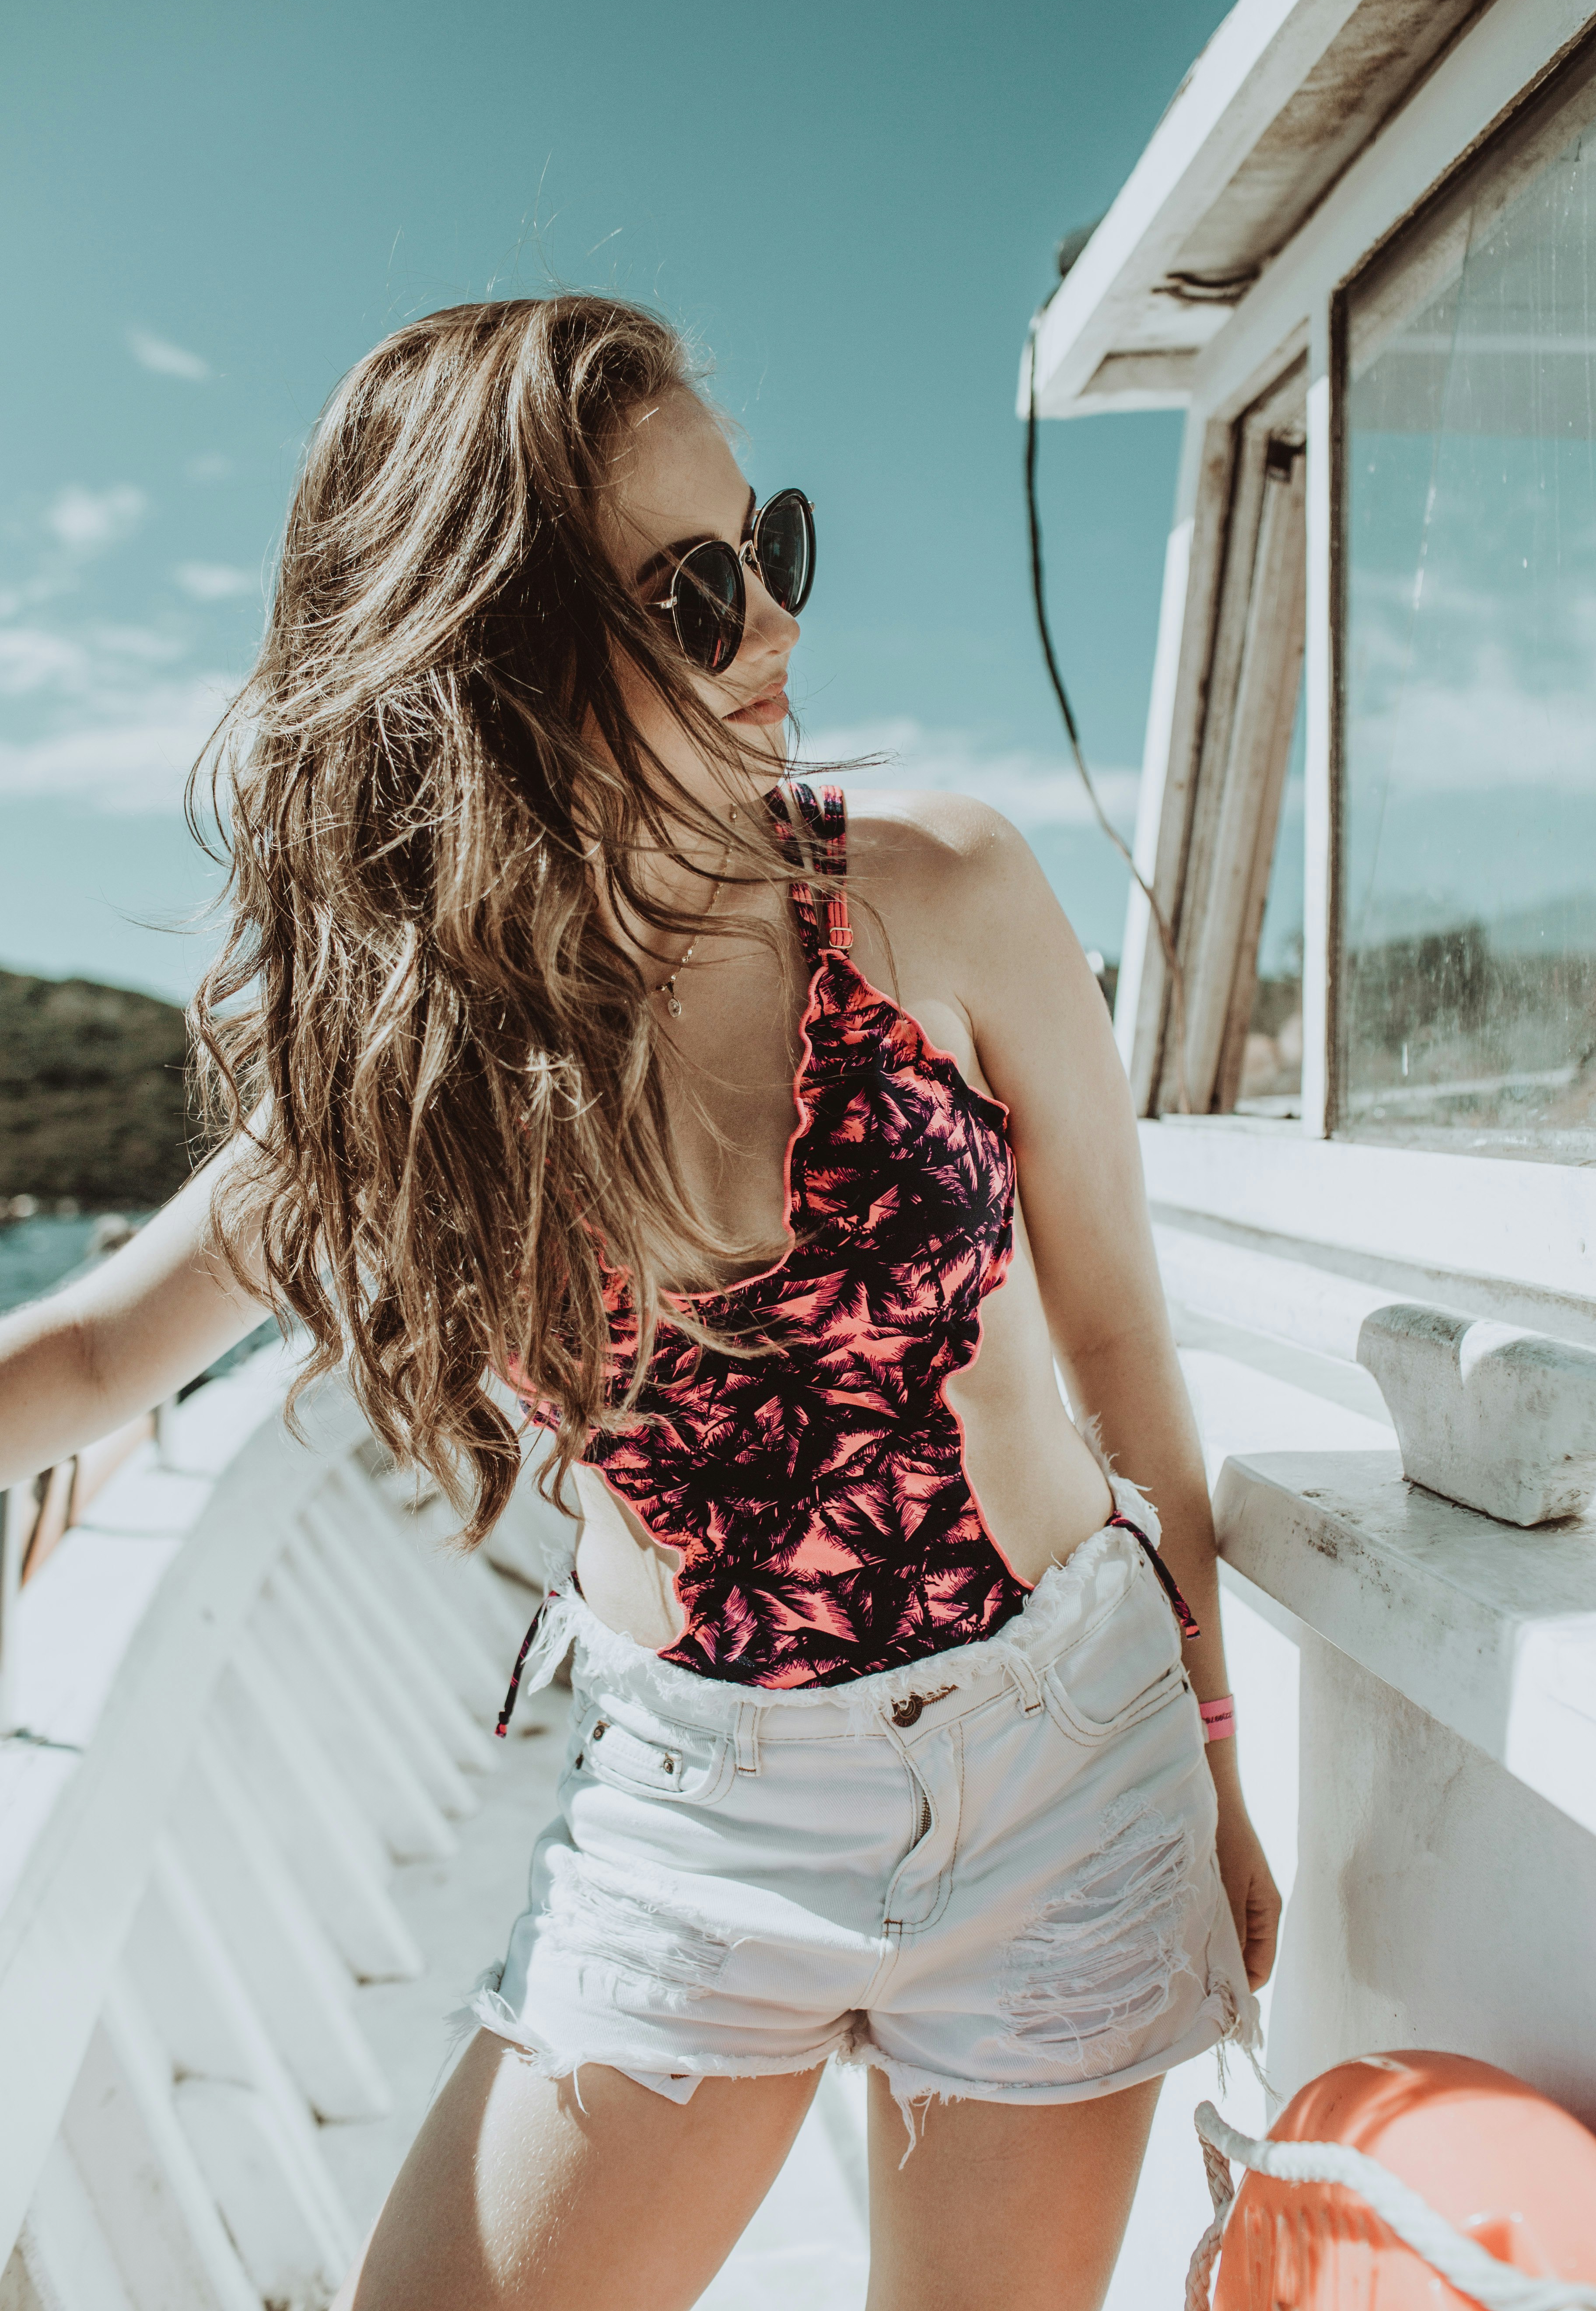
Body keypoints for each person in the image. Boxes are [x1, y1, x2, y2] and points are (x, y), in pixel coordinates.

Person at [0, 294, 1279, 2311]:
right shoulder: (411, 1072)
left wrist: (1213, 1752)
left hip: (1061, 1762)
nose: (773, 627)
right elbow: (88, 1353)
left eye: (770, 548)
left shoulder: (936, 895)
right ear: (495, 656)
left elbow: (1120, 1349)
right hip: (707, 1818)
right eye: (692, 594)